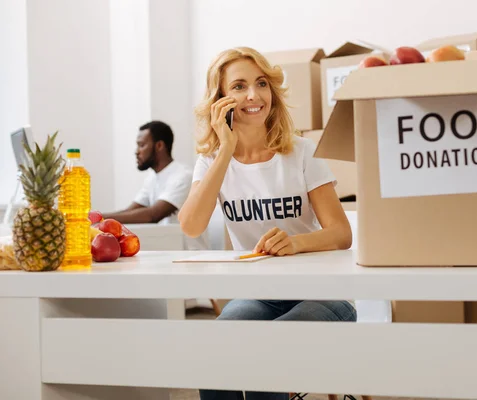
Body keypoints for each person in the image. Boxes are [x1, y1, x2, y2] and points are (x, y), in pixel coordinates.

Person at [178, 47, 356, 400]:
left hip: (322, 294)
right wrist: (226, 149)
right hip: (259, 295)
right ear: (220, 100)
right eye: (239, 86)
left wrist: (295, 243)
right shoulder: (213, 160)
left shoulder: (301, 152)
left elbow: (342, 233)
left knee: (265, 348)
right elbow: (191, 226)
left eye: (261, 84)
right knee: (213, 350)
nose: (253, 95)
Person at [103, 121, 209, 250]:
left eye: (141, 145)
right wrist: (99, 219)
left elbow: (153, 215)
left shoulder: (183, 176)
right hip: (170, 251)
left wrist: (99, 218)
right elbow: (130, 211)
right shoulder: (152, 178)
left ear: (159, 146)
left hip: (191, 255)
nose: (136, 152)